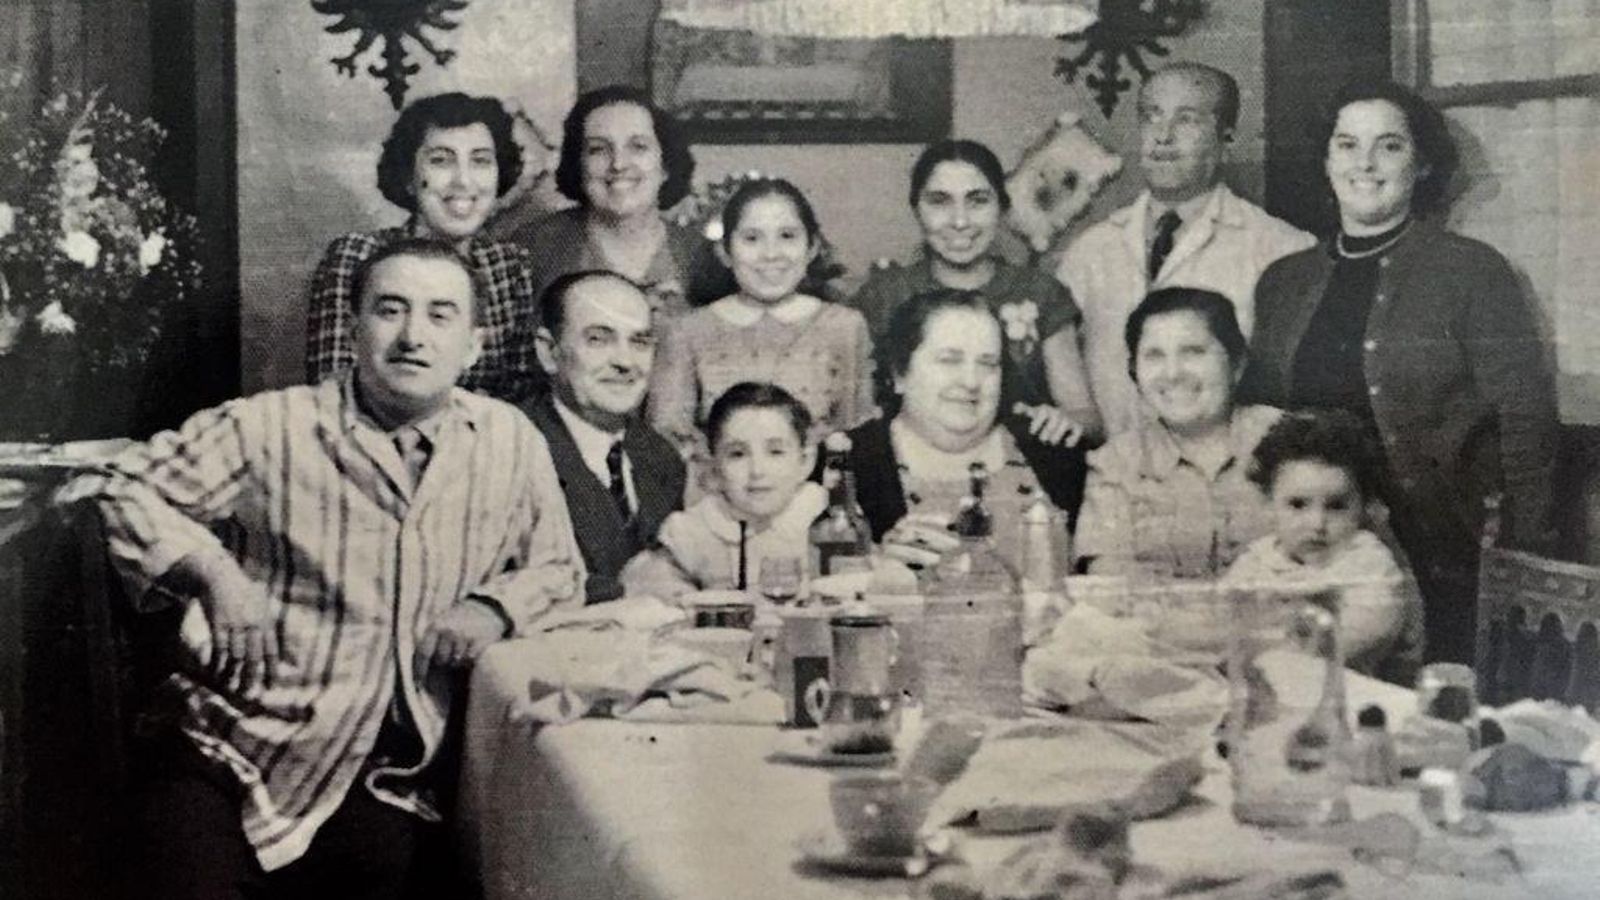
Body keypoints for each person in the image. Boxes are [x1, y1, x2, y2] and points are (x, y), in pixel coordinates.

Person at [83, 239, 584, 900]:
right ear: (353, 330)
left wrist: (493, 607)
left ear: (474, 345)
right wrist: (213, 572)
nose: (412, 336)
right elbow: (120, 485)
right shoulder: (271, 427)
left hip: (379, 778)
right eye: (390, 310)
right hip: (231, 752)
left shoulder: (510, 440)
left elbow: (559, 568)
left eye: (440, 315)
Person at [1242, 79, 1559, 665]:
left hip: (1448, 559)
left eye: (1389, 146)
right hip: (1317, 558)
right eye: (1346, 144)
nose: (1364, 162)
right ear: (1327, 160)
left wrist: (1520, 558)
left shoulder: (1471, 272)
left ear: (1421, 166)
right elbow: (1262, 424)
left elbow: (1525, 419)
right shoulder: (1282, 282)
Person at [1058, 62, 1314, 436]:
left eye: (1186, 120)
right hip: (1110, 481)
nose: (1163, 136)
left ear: (1226, 138)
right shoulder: (1090, 251)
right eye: (1151, 117)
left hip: (1226, 484)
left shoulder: (1282, 250)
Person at [850, 139, 1097, 444]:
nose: (960, 221)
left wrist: (1065, 421)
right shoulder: (884, 295)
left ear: (1002, 208)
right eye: (939, 201)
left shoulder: (1040, 292)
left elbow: (1087, 417)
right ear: (916, 209)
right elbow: (852, 411)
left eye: (978, 200)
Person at [305, 91, 542, 402]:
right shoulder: (357, 257)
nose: (463, 181)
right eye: (440, 160)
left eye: (481, 161)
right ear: (408, 177)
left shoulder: (510, 268)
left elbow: (521, 401)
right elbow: (334, 394)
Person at [838, 287, 1088, 576]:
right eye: (949, 360)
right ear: (898, 373)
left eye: (987, 364)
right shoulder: (848, 463)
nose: (971, 381)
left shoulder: (1054, 449)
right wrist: (875, 568)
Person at [649, 177, 876, 453]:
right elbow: (668, 439)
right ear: (725, 252)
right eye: (752, 238)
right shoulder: (687, 331)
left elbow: (857, 434)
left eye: (787, 236)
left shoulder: (845, 327)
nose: (771, 254)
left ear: (812, 248)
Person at [1074, 288, 1280, 579]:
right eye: (1154, 356)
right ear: (1134, 372)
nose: (1172, 373)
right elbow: (1109, 587)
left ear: (1237, 363)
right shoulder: (1114, 464)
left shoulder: (1289, 439)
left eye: (1193, 352)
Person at [523, 269, 687, 605]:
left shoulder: (660, 457)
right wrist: (621, 591)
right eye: (599, 339)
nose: (626, 362)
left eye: (639, 342)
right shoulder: (510, 449)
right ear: (548, 352)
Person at [1223, 409, 1422, 679]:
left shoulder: (1371, 565)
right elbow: (1222, 622)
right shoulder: (1258, 558)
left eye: (1337, 506)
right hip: (1267, 690)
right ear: (1269, 505)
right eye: (1297, 505)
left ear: (1363, 508)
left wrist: (1257, 639)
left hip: (1352, 697)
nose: (1317, 523)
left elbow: (1348, 638)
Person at [500, 84, 707, 321]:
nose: (618, 163)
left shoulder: (704, 257)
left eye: (638, 147)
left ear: (666, 165)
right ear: (578, 164)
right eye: (598, 149)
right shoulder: (528, 253)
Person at [622, 382, 826, 598]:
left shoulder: (824, 518)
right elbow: (650, 583)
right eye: (737, 454)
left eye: (775, 452)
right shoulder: (695, 530)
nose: (757, 470)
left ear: (805, 462)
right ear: (714, 468)